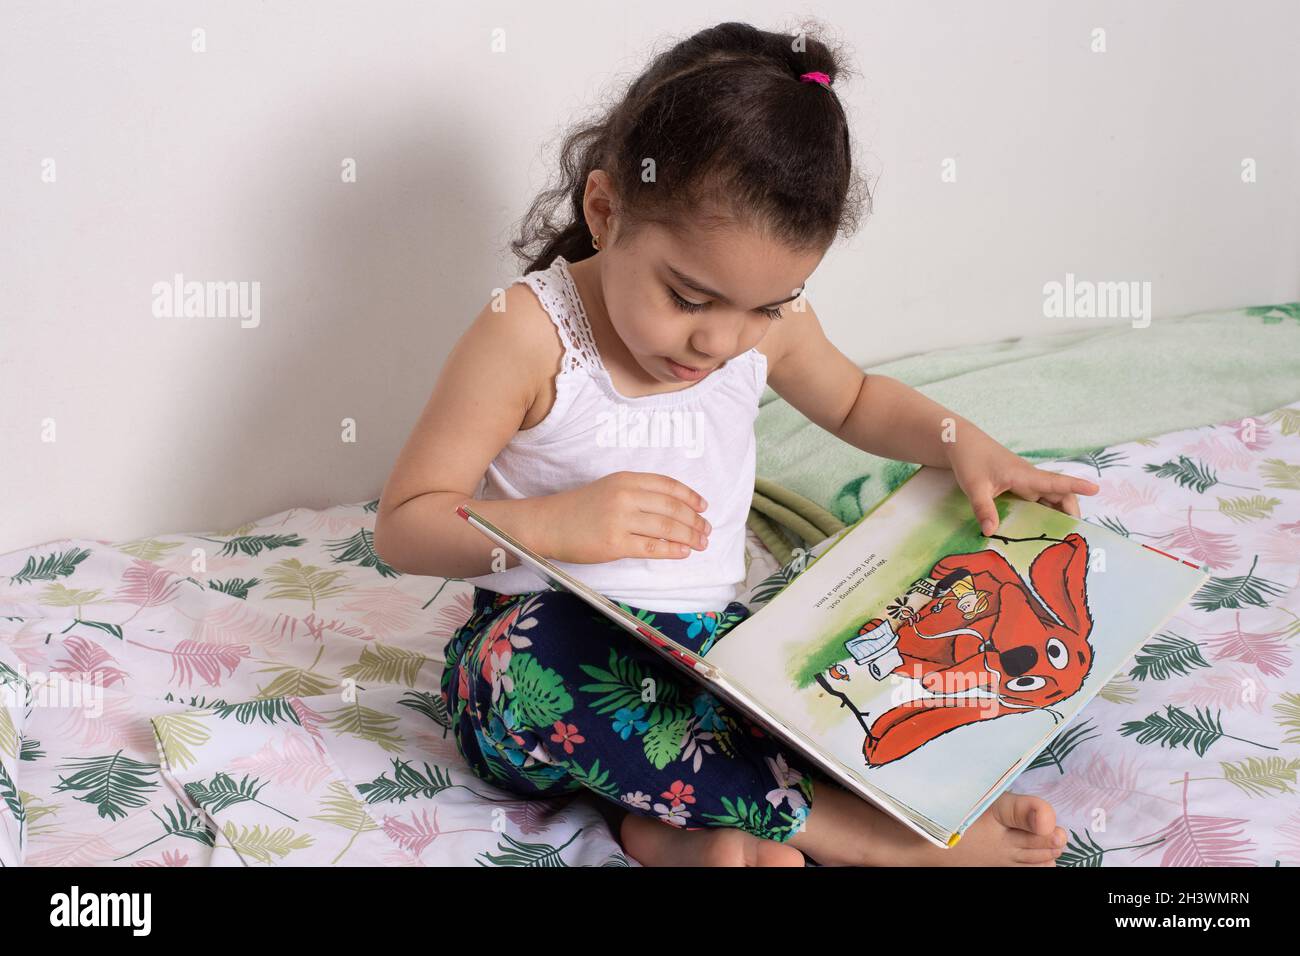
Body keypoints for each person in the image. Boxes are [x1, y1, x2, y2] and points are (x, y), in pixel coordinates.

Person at [374, 20, 1098, 866]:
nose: (720, 342)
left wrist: (958, 440)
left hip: (705, 655)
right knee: (553, 657)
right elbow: (404, 525)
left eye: (765, 307)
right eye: (689, 298)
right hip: (532, 673)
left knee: (816, 660)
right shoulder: (527, 335)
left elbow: (858, 399)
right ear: (605, 212)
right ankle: (872, 838)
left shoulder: (765, 325)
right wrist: (550, 526)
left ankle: (678, 831)